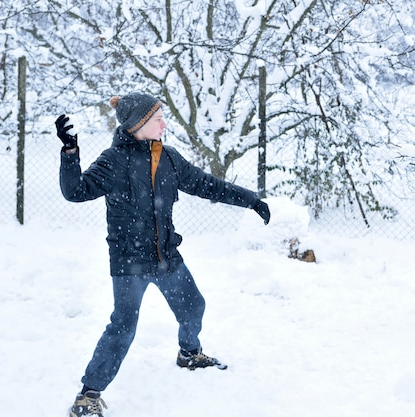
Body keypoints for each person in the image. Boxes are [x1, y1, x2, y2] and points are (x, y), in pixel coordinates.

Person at [55, 92, 270, 417]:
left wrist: (250, 199)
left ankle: (189, 354)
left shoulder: (168, 157)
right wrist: (70, 152)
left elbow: (206, 184)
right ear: (137, 125)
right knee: (123, 327)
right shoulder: (113, 161)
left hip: (166, 256)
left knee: (194, 306)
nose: (163, 123)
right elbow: (75, 192)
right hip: (129, 262)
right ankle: (88, 397)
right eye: (157, 118)